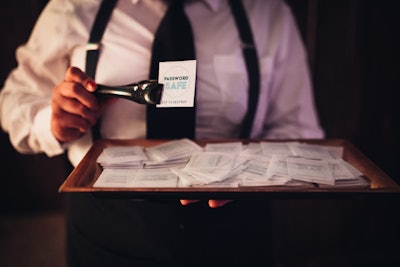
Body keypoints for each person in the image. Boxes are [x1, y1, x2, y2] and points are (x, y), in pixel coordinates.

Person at [0, 0, 324, 266]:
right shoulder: (74, 8)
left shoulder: (267, 13)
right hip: (106, 228)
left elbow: (299, 129)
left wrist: (254, 173)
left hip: (234, 231)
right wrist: (51, 121)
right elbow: (14, 101)